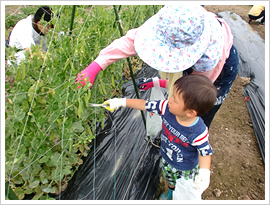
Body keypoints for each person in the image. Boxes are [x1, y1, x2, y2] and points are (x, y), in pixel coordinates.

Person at [75, 5, 239, 129]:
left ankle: (189, 145)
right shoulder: (169, 23)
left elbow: (194, 93)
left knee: (195, 112)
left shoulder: (209, 60)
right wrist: (96, 66)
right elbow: (129, 42)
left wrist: (163, 86)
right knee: (177, 105)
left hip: (219, 74)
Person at [106, 74, 217, 200]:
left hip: (186, 168)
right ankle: (170, 191)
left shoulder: (198, 131)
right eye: (172, 95)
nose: (170, 99)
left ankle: (178, 196)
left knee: (184, 188)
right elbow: (145, 104)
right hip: (167, 157)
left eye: (175, 99)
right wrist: (121, 102)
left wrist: (204, 172)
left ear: (190, 112)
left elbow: (205, 152)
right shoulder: (166, 108)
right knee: (169, 177)